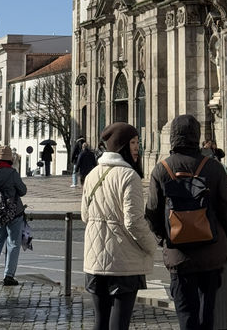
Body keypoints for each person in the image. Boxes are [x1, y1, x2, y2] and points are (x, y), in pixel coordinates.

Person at [146, 114, 227, 330]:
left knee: (186, 314)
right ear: (197, 136)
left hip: (179, 256)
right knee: (208, 314)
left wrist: (165, 237)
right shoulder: (213, 167)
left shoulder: (162, 169)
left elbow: (152, 211)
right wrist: (221, 230)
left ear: (172, 137)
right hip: (211, 254)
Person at [82, 122, 155, 330]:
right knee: (119, 323)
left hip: (95, 260)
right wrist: (151, 245)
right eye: (133, 142)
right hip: (123, 262)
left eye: (137, 142)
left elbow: (85, 215)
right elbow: (134, 222)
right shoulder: (129, 176)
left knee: (100, 321)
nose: (136, 147)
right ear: (122, 146)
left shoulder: (92, 174)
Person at [0, 144, 28, 286]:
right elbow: (22, 190)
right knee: (13, 244)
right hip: (14, 213)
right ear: (9, 160)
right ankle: (8, 276)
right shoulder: (12, 173)